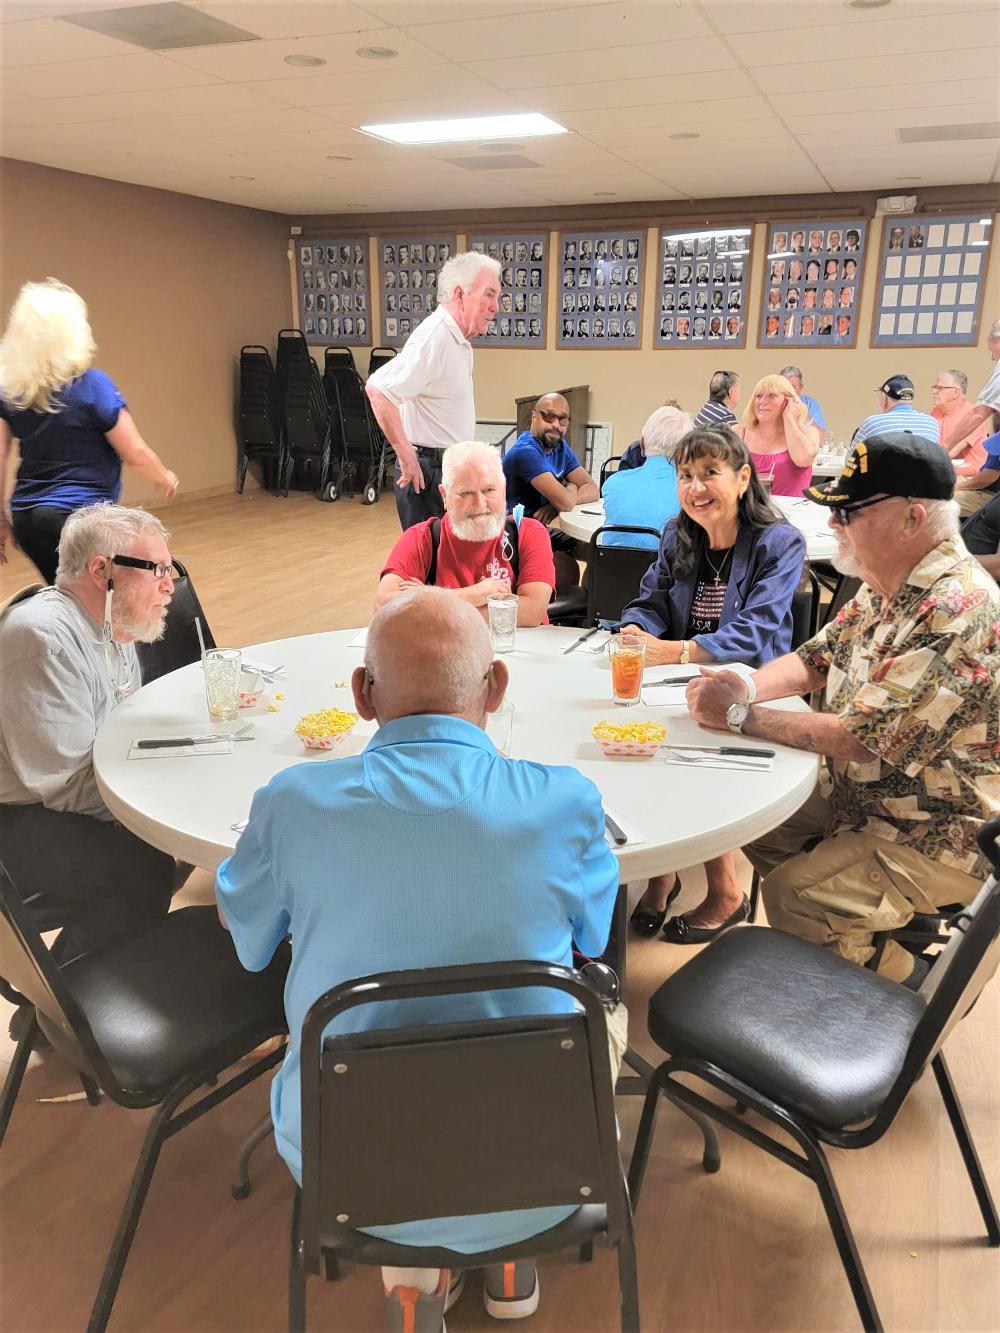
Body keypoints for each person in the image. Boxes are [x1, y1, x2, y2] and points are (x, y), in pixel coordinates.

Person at [216, 589, 620, 1330]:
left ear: (363, 695)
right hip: (546, 1158)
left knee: (352, 1042)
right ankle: (506, 1255)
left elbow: (248, 945)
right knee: (600, 1009)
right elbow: (593, 938)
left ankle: (415, 1276)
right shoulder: (567, 800)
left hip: (350, 1160)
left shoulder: (292, 802)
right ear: (496, 687)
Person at [686, 432, 999, 987]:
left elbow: (862, 737)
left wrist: (738, 715)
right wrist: (742, 686)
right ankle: (839, 934)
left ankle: (896, 985)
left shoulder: (957, 608)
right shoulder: (888, 583)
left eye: (849, 512)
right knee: (751, 810)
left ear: (912, 518)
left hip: (937, 833)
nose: (833, 525)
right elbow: (816, 659)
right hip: (864, 800)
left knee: (795, 895)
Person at [620, 427, 806, 943]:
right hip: (674, 680)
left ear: (743, 478)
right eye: (685, 475)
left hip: (750, 683)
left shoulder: (779, 542)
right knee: (633, 738)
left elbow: (757, 629)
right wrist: (637, 630)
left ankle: (725, 891)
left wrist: (677, 651)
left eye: (709, 473)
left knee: (690, 748)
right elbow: (650, 599)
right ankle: (664, 873)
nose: (695, 487)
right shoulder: (677, 534)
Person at [0, 503, 183, 966]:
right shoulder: (42, 638)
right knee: (144, 866)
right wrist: (161, 811)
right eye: (157, 569)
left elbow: (120, 727)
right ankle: (68, 1009)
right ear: (102, 571)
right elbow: (63, 783)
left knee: (156, 856)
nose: (170, 584)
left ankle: (80, 987)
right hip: (21, 814)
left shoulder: (111, 623)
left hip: (64, 790)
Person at [0, 279, 179, 584]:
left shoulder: (12, 393)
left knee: (70, 600)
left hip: (29, 518)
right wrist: (163, 475)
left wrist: (1, 520)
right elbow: (132, 451)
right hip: (78, 519)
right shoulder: (93, 385)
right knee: (108, 602)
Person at [366, 252, 500, 531]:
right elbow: (378, 389)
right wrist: (406, 457)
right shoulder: (434, 337)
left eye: (497, 297)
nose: (495, 306)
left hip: (449, 469)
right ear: (459, 294)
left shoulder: (459, 340)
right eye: (488, 295)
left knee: (450, 565)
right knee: (428, 568)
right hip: (427, 473)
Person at [375, 440, 554, 626]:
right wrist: (476, 594)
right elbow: (383, 608)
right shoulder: (421, 538)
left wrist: (427, 600)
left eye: (489, 490)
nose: (480, 504)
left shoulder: (529, 533)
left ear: (504, 489)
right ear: (444, 496)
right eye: (466, 493)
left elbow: (532, 611)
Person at [601, 407, 692, 550]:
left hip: (610, 569)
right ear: (686, 450)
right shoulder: (692, 491)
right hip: (670, 570)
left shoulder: (612, 483)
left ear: (642, 444)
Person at [501, 393, 598, 521]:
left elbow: (592, 489)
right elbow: (566, 503)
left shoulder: (560, 447)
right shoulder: (526, 452)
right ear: (534, 416)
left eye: (562, 419)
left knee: (592, 538)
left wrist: (555, 506)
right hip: (518, 530)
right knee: (587, 540)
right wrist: (571, 487)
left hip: (540, 525)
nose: (556, 425)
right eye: (549, 417)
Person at [734, 374, 822, 496]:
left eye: (772, 396)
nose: (762, 402)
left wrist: (789, 418)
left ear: (789, 401)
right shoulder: (739, 433)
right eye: (758, 396)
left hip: (792, 513)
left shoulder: (808, 432)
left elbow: (803, 459)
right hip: (749, 512)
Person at [941, 320, 1000, 499]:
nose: (993, 358)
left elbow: (980, 412)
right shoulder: (936, 414)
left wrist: (942, 449)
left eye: (992, 351)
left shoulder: (972, 413)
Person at [930, 369, 990, 476]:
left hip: (970, 478)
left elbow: (951, 451)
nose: (934, 391)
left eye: (940, 388)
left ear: (956, 392)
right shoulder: (937, 411)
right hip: (945, 470)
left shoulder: (972, 416)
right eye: (934, 387)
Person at [852, 375, 940, 445]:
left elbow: (851, 459)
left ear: (884, 398)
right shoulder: (932, 423)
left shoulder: (872, 422)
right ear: (910, 399)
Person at [778, 365, 827, 431]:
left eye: (793, 387)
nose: (789, 391)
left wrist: (805, 416)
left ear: (801, 388)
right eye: (785, 387)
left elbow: (823, 437)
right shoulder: (770, 403)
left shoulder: (811, 404)